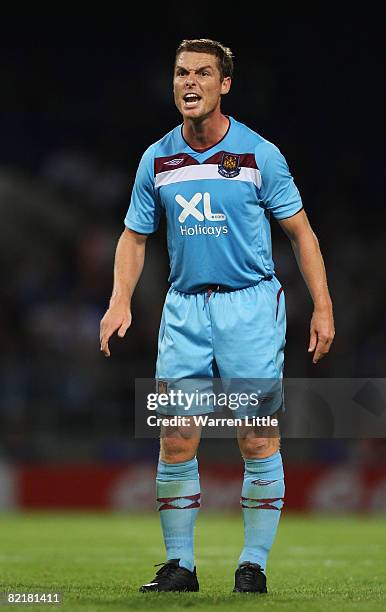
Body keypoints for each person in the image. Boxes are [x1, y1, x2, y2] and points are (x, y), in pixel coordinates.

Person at [99, 38, 335, 594]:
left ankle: (252, 565)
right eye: (182, 73)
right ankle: (181, 566)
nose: (190, 83)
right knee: (176, 438)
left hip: (250, 306)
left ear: (224, 85)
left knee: (256, 437)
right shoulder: (156, 157)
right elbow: (135, 236)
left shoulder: (260, 154)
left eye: (203, 74)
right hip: (183, 309)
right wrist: (119, 299)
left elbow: (301, 233)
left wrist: (321, 305)